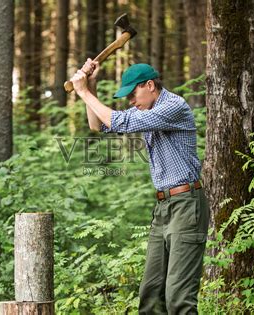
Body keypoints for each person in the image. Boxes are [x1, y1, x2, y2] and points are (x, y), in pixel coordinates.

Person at [70, 59, 209, 315]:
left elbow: (120, 122)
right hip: (164, 208)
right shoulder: (145, 109)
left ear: (150, 85)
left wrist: (83, 92)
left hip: (187, 206)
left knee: (179, 299)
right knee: (151, 296)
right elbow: (98, 125)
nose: (131, 101)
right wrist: (91, 84)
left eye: (133, 94)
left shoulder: (173, 106)